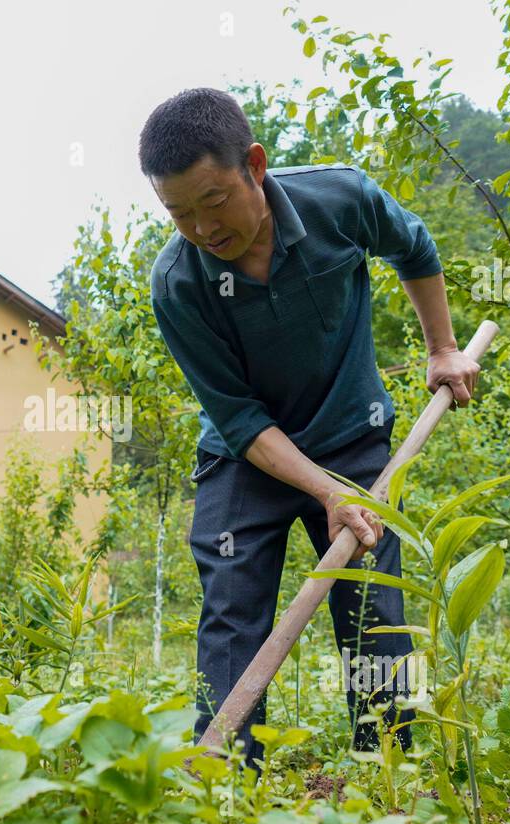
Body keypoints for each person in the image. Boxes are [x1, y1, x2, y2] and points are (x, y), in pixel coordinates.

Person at [139, 87, 481, 772]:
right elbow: (237, 417)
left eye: (213, 202)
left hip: (351, 437)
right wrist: (325, 494)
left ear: (255, 165)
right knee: (232, 613)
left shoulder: (340, 201)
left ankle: (388, 770)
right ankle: (227, 781)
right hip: (248, 461)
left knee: (375, 616)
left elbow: (413, 246)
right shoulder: (178, 284)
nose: (203, 229)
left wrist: (442, 347)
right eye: (179, 213)